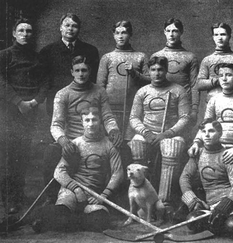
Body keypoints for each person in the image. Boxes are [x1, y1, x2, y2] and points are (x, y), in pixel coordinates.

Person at [31, 103, 124, 233]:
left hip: (95, 194)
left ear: (100, 121)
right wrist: (76, 189)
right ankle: (62, 217)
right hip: (72, 192)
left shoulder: (109, 145)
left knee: (100, 220)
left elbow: (117, 173)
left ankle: (55, 220)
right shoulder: (75, 144)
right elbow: (59, 172)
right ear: (82, 122)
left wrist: (103, 196)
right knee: (62, 212)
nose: (91, 124)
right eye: (87, 120)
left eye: (94, 120)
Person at [42, 55, 122, 206]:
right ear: (71, 72)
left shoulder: (99, 91)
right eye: (77, 70)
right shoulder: (62, 94)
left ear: (90, 71)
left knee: (122, 149)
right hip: (72, 141)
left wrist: (114, 130)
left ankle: (113, 198)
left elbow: (108, 117)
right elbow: (56, 124)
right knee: (50, 152)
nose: (81, 74)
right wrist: (64, 141)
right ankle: (51, 197)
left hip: (95, 138)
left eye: (84, 70)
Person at [0, 18, 48, 214]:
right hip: (8, 109)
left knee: (23, 153)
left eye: (29, 31)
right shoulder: (3, 55)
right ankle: (9, 200)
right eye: (21, 30)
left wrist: (34, 102)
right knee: (9, 154)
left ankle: (19, 193)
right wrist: (19, 102)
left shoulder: (37, 57)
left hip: (30, 109)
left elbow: (44, 83)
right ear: (14, 34)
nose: (25, 34)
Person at [129, 56, 190, 211]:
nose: (157, 73)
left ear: (166, 70)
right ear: (149, 71)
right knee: (136, 144)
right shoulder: (143, 91)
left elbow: (184, 118)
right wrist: (146, 133)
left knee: (172, 146)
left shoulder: (178, 90)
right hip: (147, 132)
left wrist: (167, 134)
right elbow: (134, 118)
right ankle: (142, 201)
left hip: (169, 133)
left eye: (160, 69)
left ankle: (165, 202)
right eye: (153, 70)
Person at [189, 63, 233, 196]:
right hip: (217, 146)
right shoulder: (214, 100)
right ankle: (197, 201)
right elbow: (205, 125)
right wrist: (196, 142)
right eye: (221, 75)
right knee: (195, 156)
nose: (224, 79)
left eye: (229, 75)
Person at [180, 119, 233, 235]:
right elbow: (184, 178)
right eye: (203, 131)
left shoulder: (227, 155)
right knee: (192, 221)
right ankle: (216, 223)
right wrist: (192, 200)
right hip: (211, 206)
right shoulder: (198, 154)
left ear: (220, 134)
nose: (207, 135)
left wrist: (226, 204)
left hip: (231, 204)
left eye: (211, 131)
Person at [97, 20, 150, 167]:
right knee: (111, 143)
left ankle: (128, 182)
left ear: (130, 34)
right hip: (111, 109)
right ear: (113, 35)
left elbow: (150, 82)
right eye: (117, 33)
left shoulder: (141, 56)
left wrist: (134, 73)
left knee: (130, 146)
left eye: (124, 32)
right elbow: (100, 87)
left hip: (133, 109)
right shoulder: (107, 58)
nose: (120, 36)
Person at [39, 13, 99, 117]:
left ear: (79, 29)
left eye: (74, 26)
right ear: (60, 28)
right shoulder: (47, 51)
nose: (70, 29)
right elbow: (44, 79)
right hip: (56, 100)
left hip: (83, 100)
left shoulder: (90, 50)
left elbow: (93, 78)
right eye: (67, 25)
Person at [151, 18, 199, 124]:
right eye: (168, 31)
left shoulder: (190, 57)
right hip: (160, 103)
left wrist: (194, 110)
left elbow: (195, 85)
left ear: (181, 32)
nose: (171, 34)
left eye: (175, 31)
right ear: (164, 32)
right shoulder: (156, 56)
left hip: (183, 104)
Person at [197, 23, 233, 119]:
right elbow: (199, 84)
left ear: (229, 36)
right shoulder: (207, 60)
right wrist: (218, 80)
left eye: (223, 34)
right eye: (216, 35)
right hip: (212, 103)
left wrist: (231, 81)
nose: (219, 38)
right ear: (213, 37)